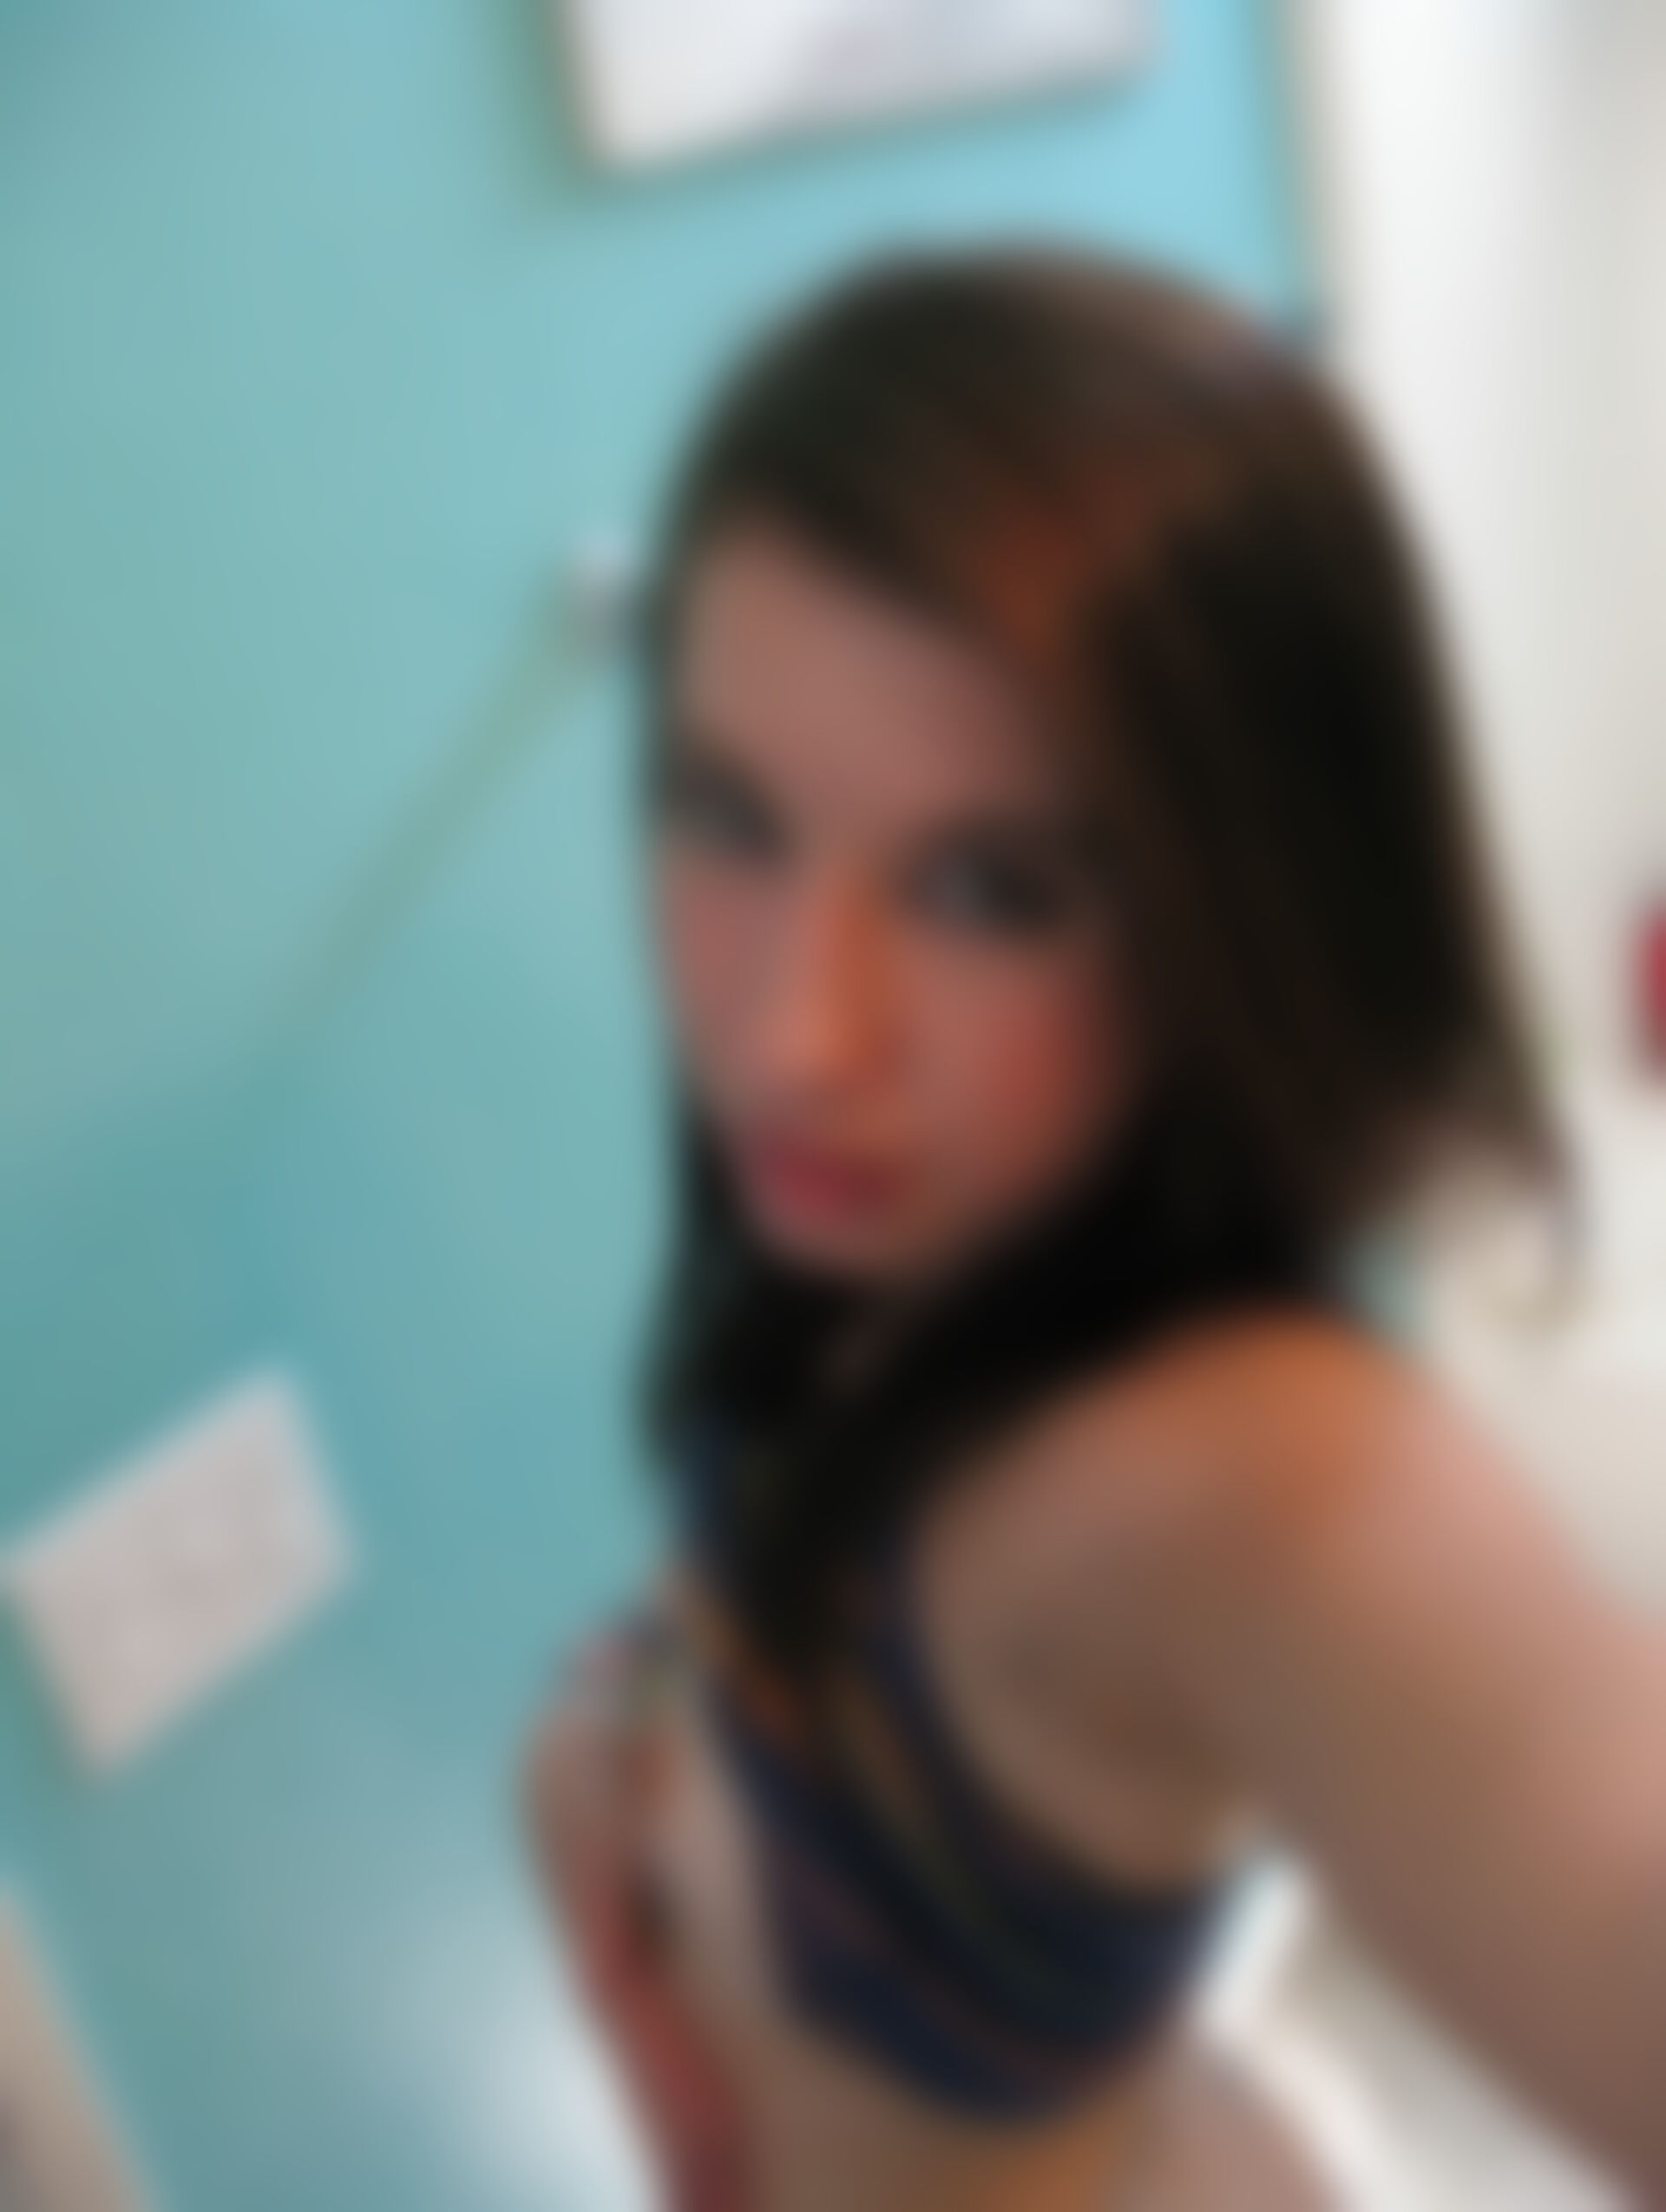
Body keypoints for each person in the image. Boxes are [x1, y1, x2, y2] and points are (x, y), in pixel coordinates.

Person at [521, 243, 1666, 2210]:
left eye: (989, 889)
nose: (793, 1038)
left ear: (1247, 913)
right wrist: (610, 1732)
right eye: (730, 814)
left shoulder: (1250, 1477)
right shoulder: (904, 1245)